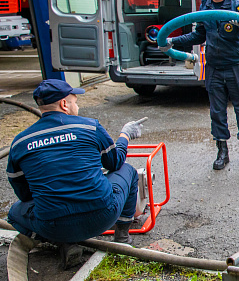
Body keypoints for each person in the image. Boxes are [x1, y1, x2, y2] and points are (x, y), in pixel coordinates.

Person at [6, 80, 145, 267]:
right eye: (75, 101)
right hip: (103, 216)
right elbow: (115, 162)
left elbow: (24, 195)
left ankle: (63, 242)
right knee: (127, 170)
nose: (77, 106)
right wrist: (126, 134)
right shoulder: (90, 127)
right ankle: (122, 238)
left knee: (14, 213)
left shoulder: (20, 142)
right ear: (64, 104)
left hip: (53, 226)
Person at [163, 0, 239, 170]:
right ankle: (222, 151)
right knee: (217, 111)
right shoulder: (205, 8)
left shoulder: (237, 6)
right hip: (214, 68)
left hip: (235, 66)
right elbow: (199, 34)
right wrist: (173, 41)